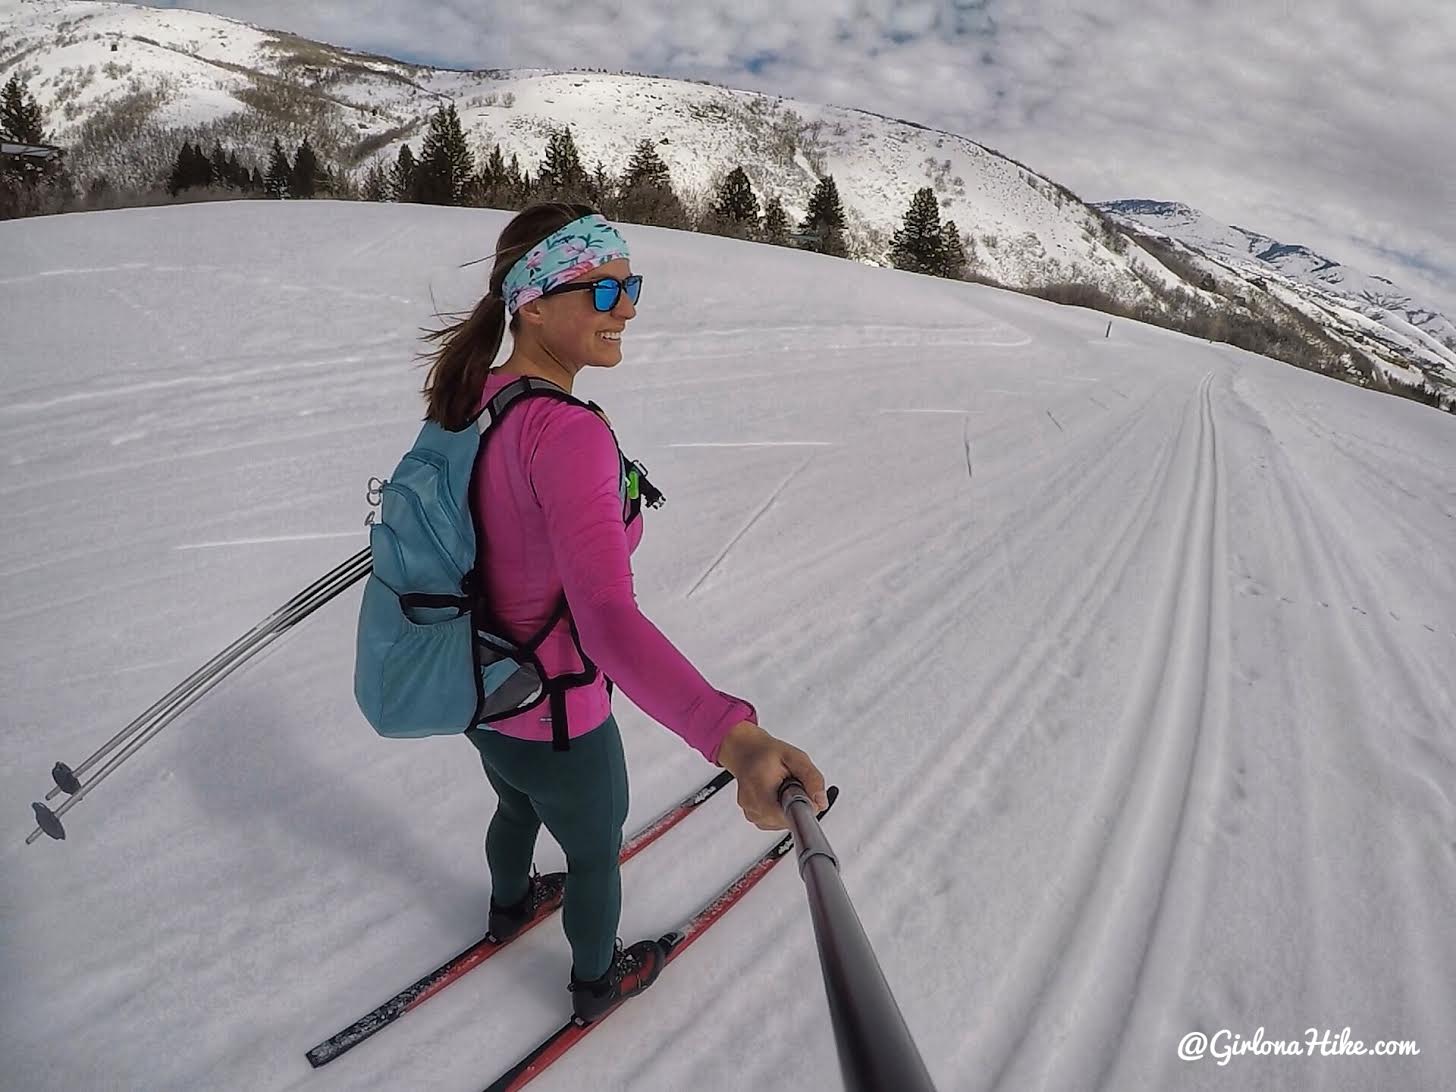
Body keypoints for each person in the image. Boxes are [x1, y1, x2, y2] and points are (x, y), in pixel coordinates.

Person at [417, 201, 829, 1022]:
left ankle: (509, 909)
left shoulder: (472, 400)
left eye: (630, 287)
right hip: (560, 714)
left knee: (512, 803)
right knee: (595, 854)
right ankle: (596, 982)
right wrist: (735, 737)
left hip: (481, 692)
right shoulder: (562, 432)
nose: (628, 309)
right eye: (604, 291)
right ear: (535, 303)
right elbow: (604, 618)